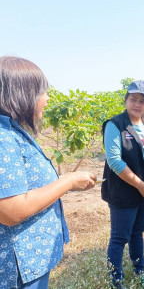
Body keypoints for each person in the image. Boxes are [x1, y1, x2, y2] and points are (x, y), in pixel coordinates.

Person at [0, 56, 97, 289]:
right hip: (18, 269)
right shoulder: (3, 138)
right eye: (43, 92)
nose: (47, 99)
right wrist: (68, 182)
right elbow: (11, 210)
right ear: (22, 93)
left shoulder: (11, 131)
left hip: (30, 262)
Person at [101, 80, 144, 289]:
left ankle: (140, 270)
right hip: (125, 191)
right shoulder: (115, 125)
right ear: (126, 100)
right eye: (133, 99)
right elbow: (115, 161)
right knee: (119, 237)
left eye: (142, 101)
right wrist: (139, 185)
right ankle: (117, 281)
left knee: (137, 232)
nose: (137, 104)